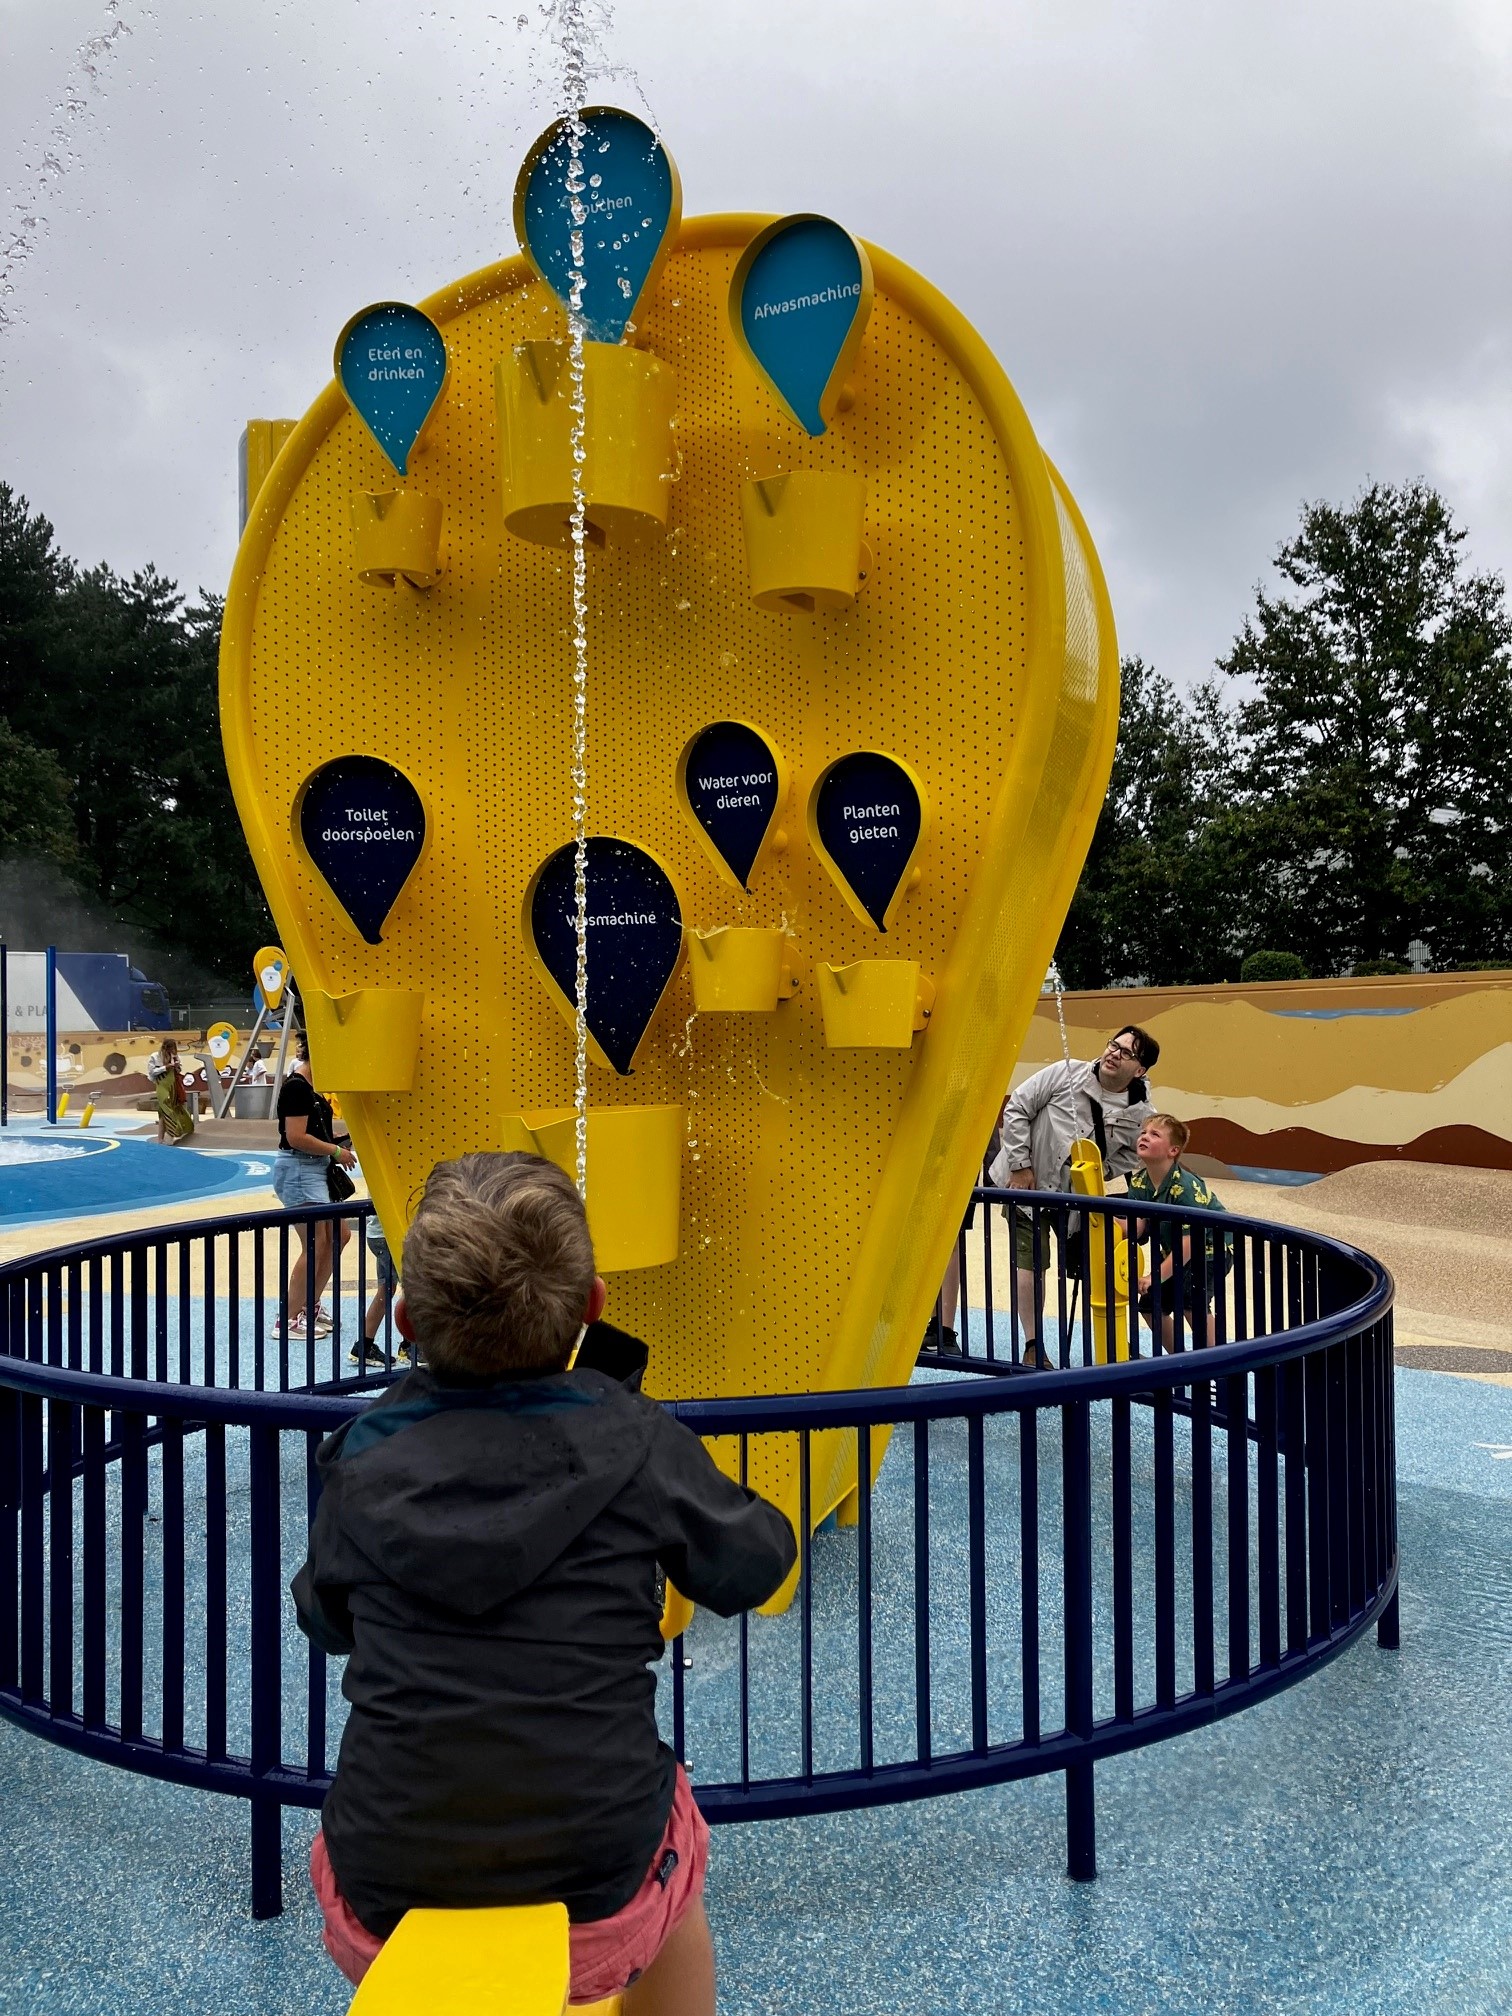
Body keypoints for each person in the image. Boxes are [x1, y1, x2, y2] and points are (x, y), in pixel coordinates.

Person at [294, 1151, 796, 2014]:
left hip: (383, 1884)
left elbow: (326, 1617)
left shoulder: (360, 1458)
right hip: (597, 1883)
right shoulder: (633, 1440)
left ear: (407, 1321)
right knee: (677, 1840)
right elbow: (755, 1562)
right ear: (592, 1306)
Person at [986, 1025, 1160, 1368]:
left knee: (1097, 1266)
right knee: (1030, 1263)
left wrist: (1097, 1171)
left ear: (1139, 1069)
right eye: (1114, 1044)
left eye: (1126, 1052)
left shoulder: (1141, 1111)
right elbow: (1018, 1107)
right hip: (1029, 1188)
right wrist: (1021, 1166)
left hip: (1077, 1199)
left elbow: (1135, 1154)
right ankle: (1034, 1345)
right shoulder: (1065, 1073)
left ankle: (1114, 1342)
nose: (1114, 1053)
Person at [272, 1033, 356, 1343]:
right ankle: (289, 1318)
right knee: (315, 1244)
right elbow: (295, 1137)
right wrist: (336, 1152)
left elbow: (317, 1134)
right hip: (299, 1170)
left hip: (313, 1169)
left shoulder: (312, 1091)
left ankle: (308, 1304)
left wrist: (345, 1141)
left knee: (338, 1236)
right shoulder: (296, 1088)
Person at [1127, 1113, 1227, 1354]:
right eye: (1143, 1132)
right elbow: (1137, 1225)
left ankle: (1213, 1368)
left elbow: (1189, 1244)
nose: (1145, 1137)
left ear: (1173, 1151)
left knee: (1193, 1303)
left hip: (1210, 1251)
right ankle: (1179, 1361)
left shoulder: (1185, 1188)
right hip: (1178, 1252)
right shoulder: (1139, 1182)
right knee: (1151, 1306)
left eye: (1155, 1134)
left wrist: (1154, 1276)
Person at [148, 1037, 195, 1145]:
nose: (173, 1051)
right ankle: (174, 1133)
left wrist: (177, 1066)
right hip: (162, 1086)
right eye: (171, 1049)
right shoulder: (155, 1056)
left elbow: (179, 1071)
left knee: (165, 1112)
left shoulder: (175, 1056)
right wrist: (165, 1067)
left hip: (173, 1086)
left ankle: (160, 1139)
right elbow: (151, 1072)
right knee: (167, 1108)